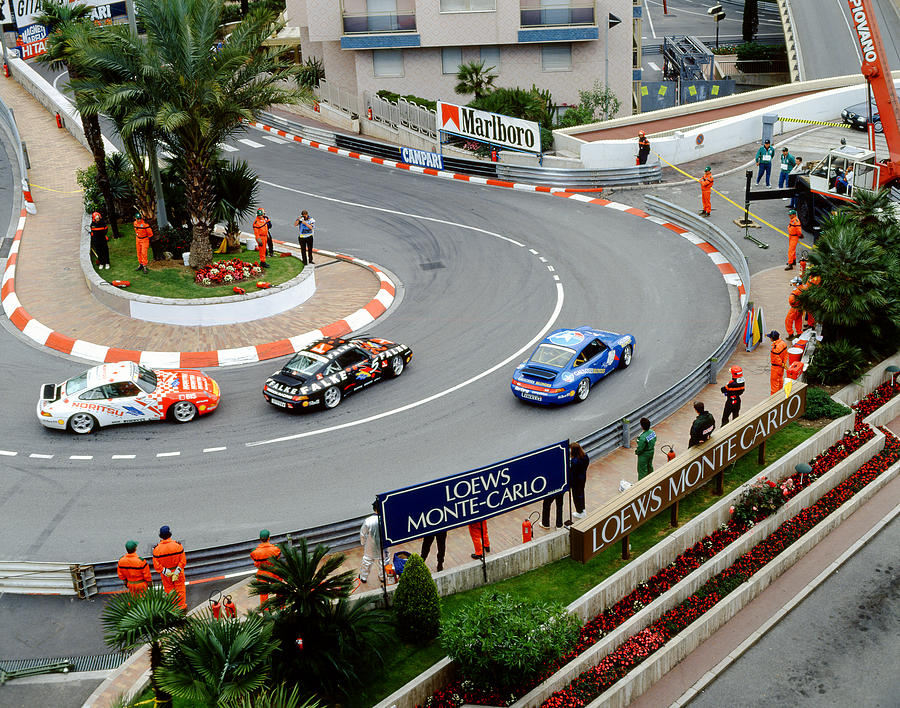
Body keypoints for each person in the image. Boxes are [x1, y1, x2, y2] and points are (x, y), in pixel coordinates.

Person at [152, 525, 187, 611]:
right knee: (180, 589)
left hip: (166, 574)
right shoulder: (178, 546)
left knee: (169, 590)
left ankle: (173, 608)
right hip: (177, 572)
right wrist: (176, 572)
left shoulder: (156, 549)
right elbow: (183, 561)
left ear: (160, 535)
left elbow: (156, 565)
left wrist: (166, 571)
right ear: (170, 534)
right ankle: (182, 607)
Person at [359, 500, 389, 583]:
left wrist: (363, 542)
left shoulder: (368, 520)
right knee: (384, 561)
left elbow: (362, 533)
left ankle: (363, 577)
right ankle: (382, 577)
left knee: (367, 561)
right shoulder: (386, 519)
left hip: (371, 544)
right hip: (383, 544)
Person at [249, 529, 281, 606]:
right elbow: (278, 558)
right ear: (269, 538)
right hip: (274, 571)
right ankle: (281, 606)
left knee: (263, 593)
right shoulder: (276, 549)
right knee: (279, 589)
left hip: (262, 573)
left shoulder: (254, 552)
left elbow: (255, 562)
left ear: (260, 539)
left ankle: (265, 610)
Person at [569, 442, 589, 518]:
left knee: (576, 495)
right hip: (582, 477)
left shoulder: (574, 461)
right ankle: (582, 509)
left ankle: (579, 511)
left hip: (576, 480)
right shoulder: (585, 456)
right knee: (581, 493)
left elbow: (572, 472)